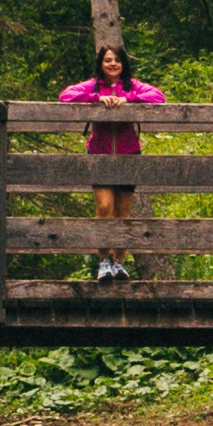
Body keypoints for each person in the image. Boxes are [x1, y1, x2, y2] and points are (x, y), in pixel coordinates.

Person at [61, 42, 162, 273]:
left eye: (117, 60)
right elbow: (66, 96)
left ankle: (119, 264)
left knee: (123, 212)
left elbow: (158, 96)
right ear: (101, 64)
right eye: (108, 60)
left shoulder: (132, 86)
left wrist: (130, 99)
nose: (113, 64)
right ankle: (103, 262)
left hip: (129, 154)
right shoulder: (94, 85)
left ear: (123, 63)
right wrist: (96, 98)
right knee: (105, 207)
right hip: (100, 153)